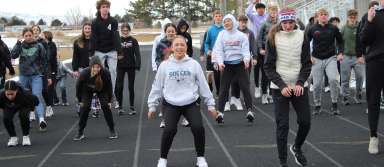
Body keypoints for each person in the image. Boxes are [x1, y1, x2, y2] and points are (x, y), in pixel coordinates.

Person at [148, 35, 219, 167]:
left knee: (198, 128)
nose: (179, 47)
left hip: (190, 104)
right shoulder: (164, 66)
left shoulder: (194, 64)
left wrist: (211, 105)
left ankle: (201, 158)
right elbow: (156, 86)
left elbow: (203, 85)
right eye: (177, 45)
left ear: (186, 47)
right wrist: (152, 106)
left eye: (182, 45)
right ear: (172, 48)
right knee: (169, 130)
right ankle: (162, 159)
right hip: (171, 104)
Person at [264, 8, 312, 167]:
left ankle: (297, 147)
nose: (288, 25)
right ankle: (283, 161)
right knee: (282, 125)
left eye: (291, 22)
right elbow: (268, 67)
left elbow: (306, 63)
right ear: (280, 22)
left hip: (299, 85)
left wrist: (300, 82)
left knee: (305, 122)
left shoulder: (302, 35)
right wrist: (282, 85)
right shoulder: (273, 37)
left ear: (295, 21)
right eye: (285, 22)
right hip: (280, 88)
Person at [212, 14, 254, 124]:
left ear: (234, 22)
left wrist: (246, 60)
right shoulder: (221, 35)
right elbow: (218, 50)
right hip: (227, 65)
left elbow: (246, 50)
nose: (226, 23)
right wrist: (220, 63)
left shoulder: (241, 35)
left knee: (245, 87)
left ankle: (250, 111)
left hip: (240, 64)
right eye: (225, 22)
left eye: (229, 21)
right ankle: (220, 113)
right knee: (223, 89)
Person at [11, 27, 50, 131]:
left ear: (33, 35)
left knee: (37, 96)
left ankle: (42, 120)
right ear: (23, 36)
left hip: (36, 76)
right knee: (24, 97)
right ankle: (27, 118)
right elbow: (13, 55)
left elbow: (45, 60)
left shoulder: (39, 46)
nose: (28, 37)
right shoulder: (20, 45)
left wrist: (44, 73)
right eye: (26, 36)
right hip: (23, 76)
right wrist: (18, 44)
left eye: (30, 35)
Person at [307, 8, 344, 115]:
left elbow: (341, 41)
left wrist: (340, 53)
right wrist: (309, 56)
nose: (323, 16)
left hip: (331, 58)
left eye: (325, 14)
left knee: (333, 79)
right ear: (317, 17)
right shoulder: (312, 29)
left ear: (327, 16)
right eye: (321, 14)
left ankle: (335, 104)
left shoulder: (333, 28)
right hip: (316, 59)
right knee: (317, 84)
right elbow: (305, 43)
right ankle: (317, 105)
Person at [360, 0, 384, 154]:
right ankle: (373, 136)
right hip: (376, 62)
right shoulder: (370, 15)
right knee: (373, 100)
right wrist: (369, 20)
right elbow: (364, 39)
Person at [74, 56, 117, 140]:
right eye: (94, 67)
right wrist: (79, 100)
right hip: (87, 90)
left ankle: (112, 130)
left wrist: (109, 101)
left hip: (102, 89)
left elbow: (109, 87)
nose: (96, 69)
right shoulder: (84, 73)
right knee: (85, 107)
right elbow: (78, 87)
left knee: (105, 106)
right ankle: (80, 131)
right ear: (91, 67)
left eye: (98, 67)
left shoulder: (105, 73)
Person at [91, 0, 121, 108]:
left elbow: (116, 36)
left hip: (112, 50)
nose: (105, 9)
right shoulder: (95, 22)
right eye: (103, 7)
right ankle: (99, 95)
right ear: (99, 9)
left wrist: (119, 50)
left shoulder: (113, 21)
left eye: (107, 7)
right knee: (99, 73)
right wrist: (92, 52)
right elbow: (93, 38)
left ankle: (111, 95)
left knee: (113, 71)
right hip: (99, 50)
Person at [225, 14, 258, 111]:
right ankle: (235, 97)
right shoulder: (234, 32)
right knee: (234, 80)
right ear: (238, 22)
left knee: (245, 80)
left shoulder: (250, 33)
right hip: (235, 60)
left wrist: (255, 57)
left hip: (246, 60)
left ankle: (245, 99)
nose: (243, 24)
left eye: (245, 22)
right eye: (241, 22)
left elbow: (253, 45)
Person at [0, 80, 39, 146]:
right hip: (9, 106)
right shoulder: (1, 95)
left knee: (23, 115)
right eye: (8, 94)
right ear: (5, 92)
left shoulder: (26, 94)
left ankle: (26, 136)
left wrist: (32, 110)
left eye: (12, 94)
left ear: (16, 91)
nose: (10, 96)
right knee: (6, 118)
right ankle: (13, 137)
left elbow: (36, 102)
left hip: (24, 105)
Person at [115, 23, 141, 115]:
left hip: (131, 66)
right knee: (119, 87)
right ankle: (120, 107)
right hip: (120, 66)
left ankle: (132, 107)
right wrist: (116, 58)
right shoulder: (117, 40)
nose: (125, 32)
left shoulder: (133, 41)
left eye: (127, 30)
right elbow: (113, 53)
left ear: (129, 31)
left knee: (131, 87)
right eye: (123, 30)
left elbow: (137, 53)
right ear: (121, 31)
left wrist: (138, 64)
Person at [340, 9, 364, 105]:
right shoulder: (344, 28)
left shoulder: (361, 27)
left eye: (354, 17)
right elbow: (338, 41)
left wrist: (363, 54)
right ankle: (345, 97)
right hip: (346, 56)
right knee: (345, 78)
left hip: (358, 57)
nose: (353, 19)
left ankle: (358, 94)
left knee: (360, 76)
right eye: (351, 17)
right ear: (348, 17)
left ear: (356, 17)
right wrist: (339, 53)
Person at [256, 4, 279, 103]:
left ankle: (271, 94)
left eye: (275, 12)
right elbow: (259, 38)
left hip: (277, 52)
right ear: (269, 13)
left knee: (275, 74)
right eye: (272, 12)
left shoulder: (280, 24)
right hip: (265, 52)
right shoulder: (265, 24)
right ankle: (264, 94)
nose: (273, 14)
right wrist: (261, 49)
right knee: (266, 74)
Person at [204, 10, 224, 97]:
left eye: (220, 16)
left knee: (220, 74)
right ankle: (211, 88)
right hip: (212, 55)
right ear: (214, 18)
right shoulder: (210, 29)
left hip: (222, 55)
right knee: (211, 75)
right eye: (216, 16)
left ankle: (220, 92)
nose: (218, 17)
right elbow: (206, 42)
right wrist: (207, 50)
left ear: (222, 17)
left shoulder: (225, 28)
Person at [41, 31, 58, 117]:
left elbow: (50, 57)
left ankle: (50, 106)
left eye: (42, 35)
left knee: (50, 89)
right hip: (44, 69)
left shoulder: (52, 45)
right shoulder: (41, 44)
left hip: (52, 69)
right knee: (46, 89)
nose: (40, 36)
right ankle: (50, 105)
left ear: (46, 36)